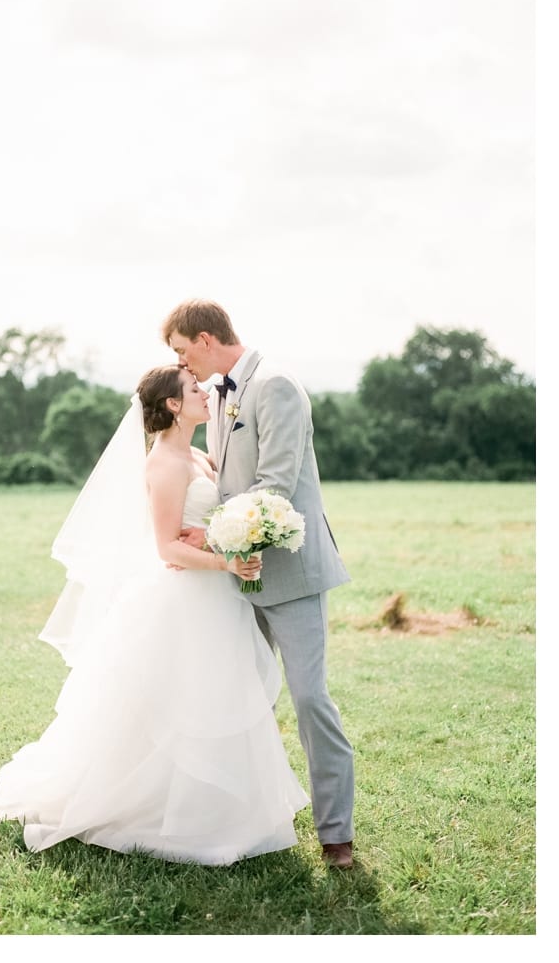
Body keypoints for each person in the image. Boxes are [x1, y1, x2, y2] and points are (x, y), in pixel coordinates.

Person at [0, 365, 309, 863]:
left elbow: (199, 524)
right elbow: (167, 548)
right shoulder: (165, 464)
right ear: (173, 405)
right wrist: (228, 561)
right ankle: (150, 809)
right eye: (194, 390)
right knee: (177, 705)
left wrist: (222, 536)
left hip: (215, 600)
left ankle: (216, 810)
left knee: (214, 699)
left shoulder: (195, 453)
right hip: (183, 600)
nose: (203, 393)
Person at [163, 299, 355, 869]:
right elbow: (227, 482)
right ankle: (244, 823)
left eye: (180, 351)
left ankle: (336, 833)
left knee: (309, 700)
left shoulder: (275, 385)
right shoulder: (221, 394)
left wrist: (218, 539)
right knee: (240, 700)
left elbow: (276, 482)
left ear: (203, 338)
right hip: (237, 581)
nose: (180, 364)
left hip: (291, 573)